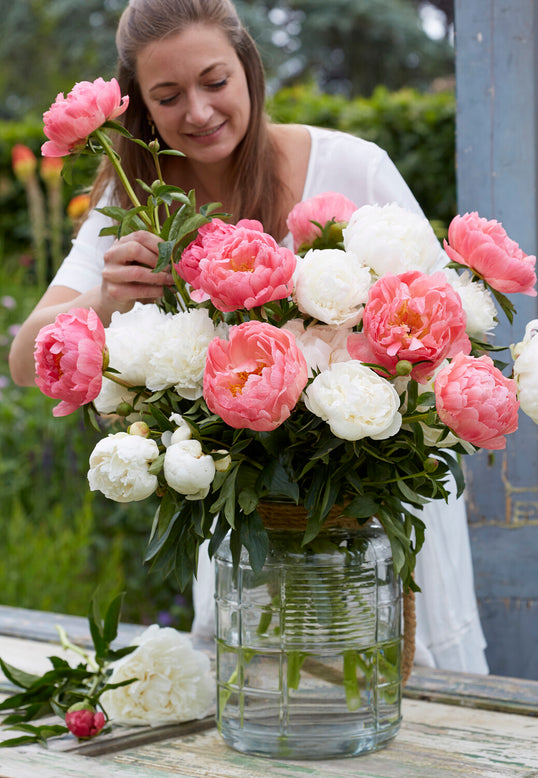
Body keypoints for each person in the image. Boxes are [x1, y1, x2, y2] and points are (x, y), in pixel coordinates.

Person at [8, 0, 488, 675]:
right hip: (250, 518)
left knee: (398, 690)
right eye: (168, 96)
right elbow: (23, 360)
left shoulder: (353, 167)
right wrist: (106, 300)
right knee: (263, 690)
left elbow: (450, 329)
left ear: (248, 69)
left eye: (215, 81)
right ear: (140, 105)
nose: (198, 111)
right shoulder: (136, 200)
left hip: (369, 507)